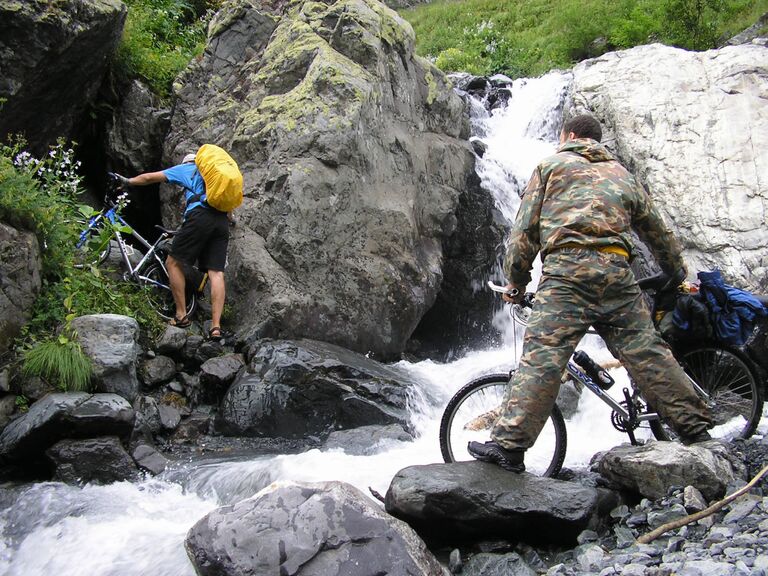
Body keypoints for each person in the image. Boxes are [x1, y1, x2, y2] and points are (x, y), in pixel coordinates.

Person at [468, 114, 713, 472]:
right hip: (617, 275)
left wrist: (517, 281)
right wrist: (676, 274)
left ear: (568, 135)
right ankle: (696, 430)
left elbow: (525, 232)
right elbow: (658, 232)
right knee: (648, 353)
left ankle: (509, 448)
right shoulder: (622, 175)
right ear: (597, 140)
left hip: (566, 275)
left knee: (544, 358)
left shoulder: (551, 166)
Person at [112, 153, 231, 340]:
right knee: (216, 273)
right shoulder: (214, 176)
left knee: (173, 262)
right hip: (222, 221)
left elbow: (150, 177)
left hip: (200, 216)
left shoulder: (188, 169)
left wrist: (128, 181)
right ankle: (216, 327)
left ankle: (181, 315)